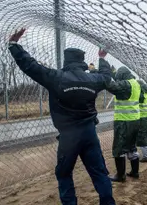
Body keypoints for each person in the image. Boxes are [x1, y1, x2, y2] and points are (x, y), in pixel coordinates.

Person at [8, 29, 115, 205]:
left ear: (66, 60)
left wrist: (14, 45)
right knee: (99, 172)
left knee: (64, 173)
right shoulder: (93, 80)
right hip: (89, 134)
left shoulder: (56, 78)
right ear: (82, 61)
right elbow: (106, 76)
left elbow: (31, 66)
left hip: (69, 137)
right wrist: (102, 58)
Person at [106, 66, 142, 182]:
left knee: (119, 148)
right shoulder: (135, 84)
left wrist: (103, 73)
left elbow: (111, 86)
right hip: (135, 120)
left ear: (122, 76)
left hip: (124, 122)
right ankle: (135, 172)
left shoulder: (126, 85)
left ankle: (120, 175)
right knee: (131, 147)